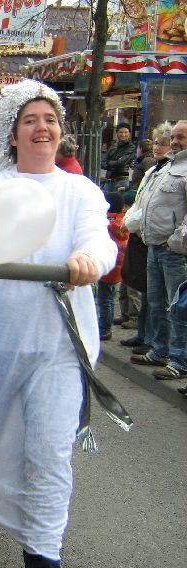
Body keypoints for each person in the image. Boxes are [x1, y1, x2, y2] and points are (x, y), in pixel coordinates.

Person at [0, 80, 116, 568]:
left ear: (61, 131)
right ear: (13, 134)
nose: (43, 128)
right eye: (30, 120)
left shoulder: (80, 191)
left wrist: (89, 259)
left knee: (48, 453)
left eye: (51, 119)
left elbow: (99, 239)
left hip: (57, 346)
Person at [125, 119, 187, 380]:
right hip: (154, 247)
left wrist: (174, 241)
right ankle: (160, 350)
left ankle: (180, 360)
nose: (174, 142)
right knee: (157, 303)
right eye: (173, 137)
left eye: (180, 137)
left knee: (178, 307)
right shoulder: (165, 167)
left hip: (175, 253)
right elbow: (145, 203)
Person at [119, 123, 173, 351]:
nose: (158, 148)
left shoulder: (172, 171)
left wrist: (130, 223)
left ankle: (156, 343)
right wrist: (129, 220)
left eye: (164, 144)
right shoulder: (154, 170)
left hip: (165, 242)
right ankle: (143, 335)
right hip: (147, 238)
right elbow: (142, 201)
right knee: (147, 292)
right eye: (157, 143)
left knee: (160, 299)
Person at [96, 192, 127, 340]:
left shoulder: (105, 222)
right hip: (119, 265)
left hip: (107, 265)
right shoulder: (123, 222)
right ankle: (106, 325)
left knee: (104, 300)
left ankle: (104, 328)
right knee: (110, 298)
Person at [101, 122, 135, 192]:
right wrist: (115, 162)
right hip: (108, 180)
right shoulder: (113, 146)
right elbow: (102, 162)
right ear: (117, 133)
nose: (123, 135)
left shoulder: (131, 147)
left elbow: (121, 162)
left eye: (126, 132)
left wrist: (109, 162)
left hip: (122, 181)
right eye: (121, 132)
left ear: (129, 134)